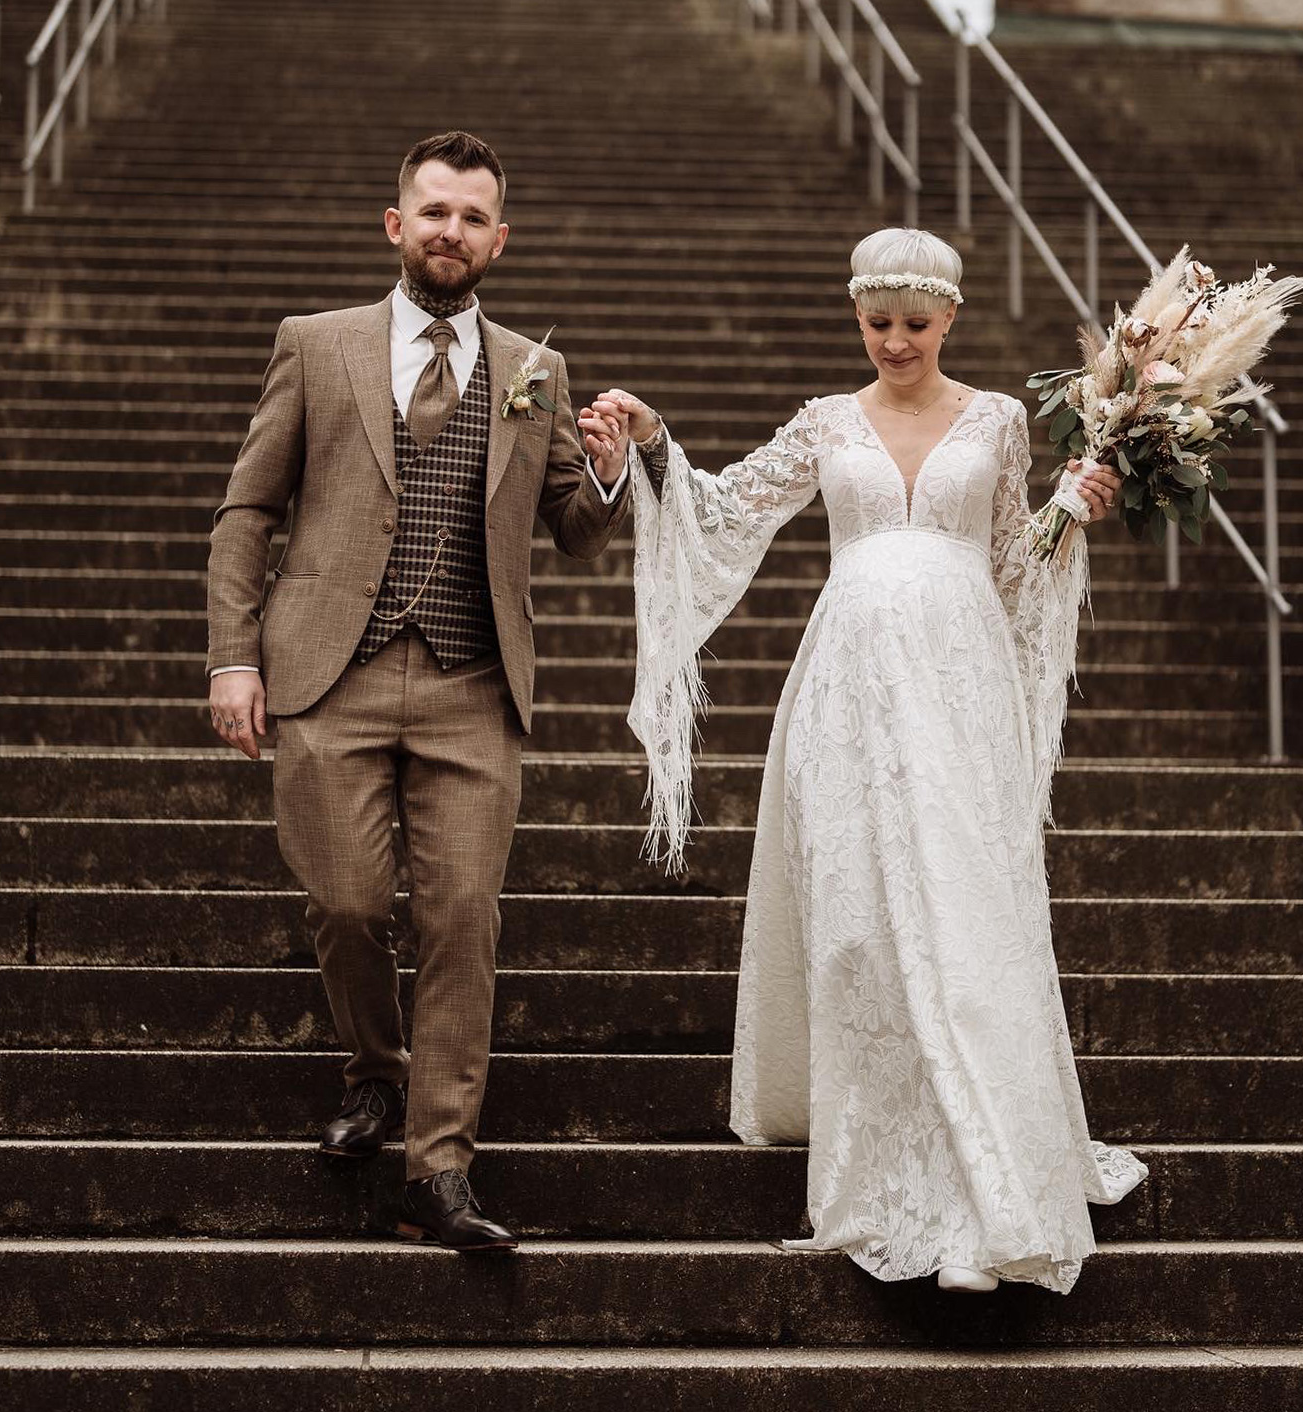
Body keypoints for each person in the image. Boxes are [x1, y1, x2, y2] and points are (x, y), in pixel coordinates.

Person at [585, 227, 1148, 1294]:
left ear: (951, 319)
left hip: (961, 684)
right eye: (878, 322)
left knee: (965, 904)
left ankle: (994, 1169)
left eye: (917, 323)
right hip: (846, 686)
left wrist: (1074, 517)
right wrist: (656, 443)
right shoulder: (823, 424)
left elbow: (1017, 574)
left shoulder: (1000, 422)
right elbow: (722, 510)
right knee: (860, 916)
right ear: (857, 316)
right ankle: (883, 1164)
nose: (897, 341)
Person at [206, 131, 632, 1252]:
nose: (451, 231)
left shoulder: (538, 372)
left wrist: (611, 462)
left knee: (459, 920)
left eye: (472, 216)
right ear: (396, 224)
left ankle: (437, 1169)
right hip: (326, 671)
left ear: (500, 236)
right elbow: (249, 509)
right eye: (432, 211)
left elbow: (575, 534)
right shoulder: (317, 344)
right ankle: (379, 1071)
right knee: (347, 903)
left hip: (473, 682)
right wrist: (232, 655)